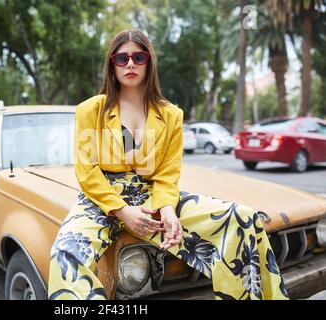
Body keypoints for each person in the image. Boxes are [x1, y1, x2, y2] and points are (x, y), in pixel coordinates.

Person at [48, 29, 289, 300]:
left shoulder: (171, 115)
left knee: (243, 218)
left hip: (151, 195)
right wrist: (122, 211)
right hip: (101, 197)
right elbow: (87, 171)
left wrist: (168, 210)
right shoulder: (90, 110)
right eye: (122, 58)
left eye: (139, 57)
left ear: (149, 63)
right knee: (66, 252)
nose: (130, 64)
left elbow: (166, 174)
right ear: (111, 64)